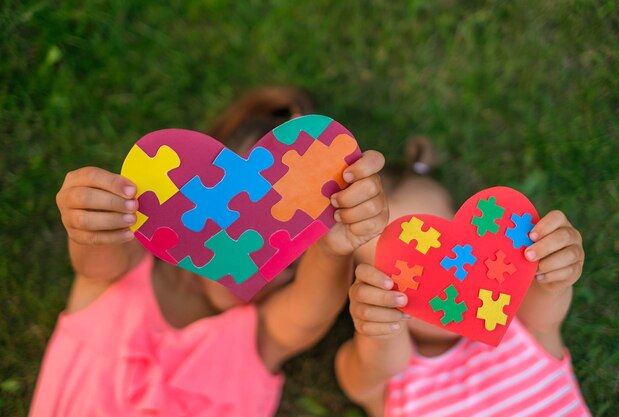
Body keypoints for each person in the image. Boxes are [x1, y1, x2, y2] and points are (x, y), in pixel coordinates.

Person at [29, 87, 389, 417]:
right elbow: (96, 252)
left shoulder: (259, 337)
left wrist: (334, 244)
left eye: (284, 244)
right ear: (190, 186)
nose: (247, 232)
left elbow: (311, 310)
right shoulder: (117, 276)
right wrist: (87, 218)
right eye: (241, 206)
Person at [335, 144, 591, 417]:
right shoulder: (392, 377)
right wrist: (379, 330)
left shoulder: (523, 327)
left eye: (447, 250)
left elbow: (548, 295)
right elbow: (371, 369)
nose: (447, 279)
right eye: (411, 269)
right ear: (363, 287)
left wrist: (554, 270)